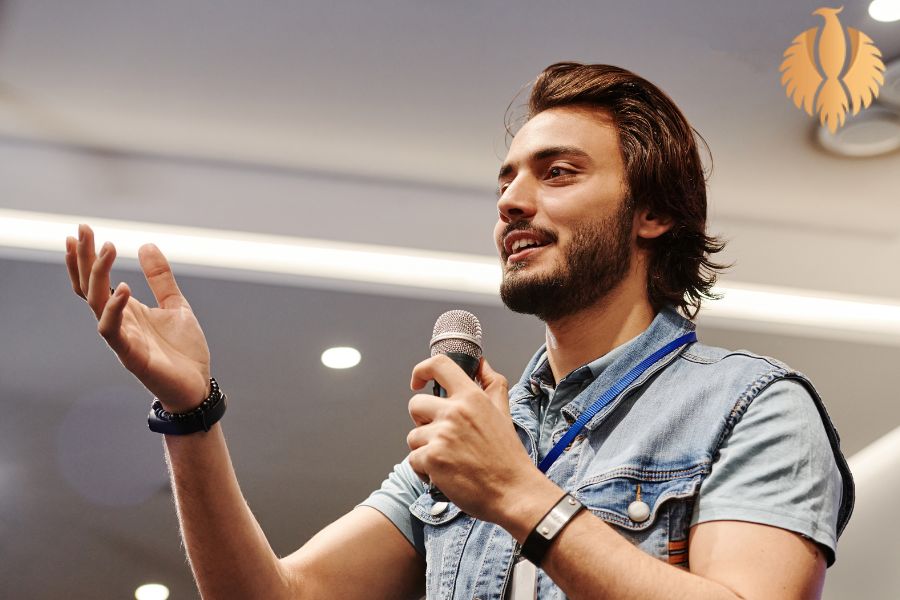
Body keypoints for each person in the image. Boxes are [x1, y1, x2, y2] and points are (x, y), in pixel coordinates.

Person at [65, 62, 853, 599]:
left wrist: (520, 496)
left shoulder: (752, 406)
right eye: (506, 178)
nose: (511, 199)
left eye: (558, 172)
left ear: (653, 213)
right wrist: (191, 414)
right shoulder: (480, 435)